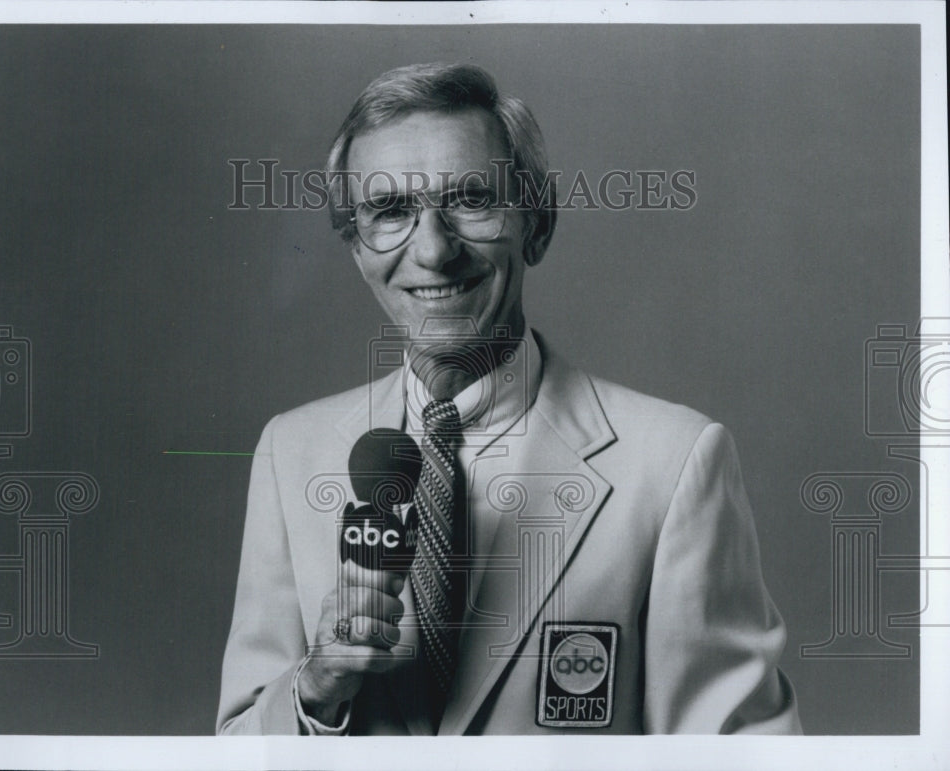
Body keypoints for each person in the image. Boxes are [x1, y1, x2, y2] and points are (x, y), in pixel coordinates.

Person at [216, 62, 802, 735]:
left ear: (538, 225)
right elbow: (235, 745)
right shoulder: (290, 451)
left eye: (470, 199)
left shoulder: (673, 465)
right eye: (390, 211)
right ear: (356, 248)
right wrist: (315, 691)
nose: (432, 250)